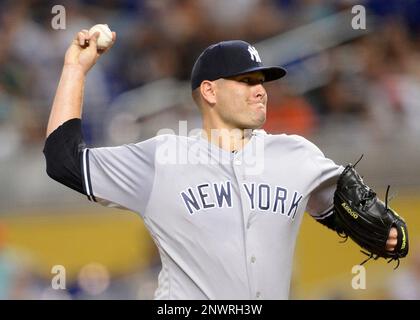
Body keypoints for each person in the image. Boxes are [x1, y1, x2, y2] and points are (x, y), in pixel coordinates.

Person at [43, 30, 399, 300]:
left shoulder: (297, 156)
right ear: (210, 92)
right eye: (246, 81)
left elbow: (354, 214)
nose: (260, 90)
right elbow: (63, 160)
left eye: (262, 82)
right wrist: (75, 69)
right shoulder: (163, 158)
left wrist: (388, 233)